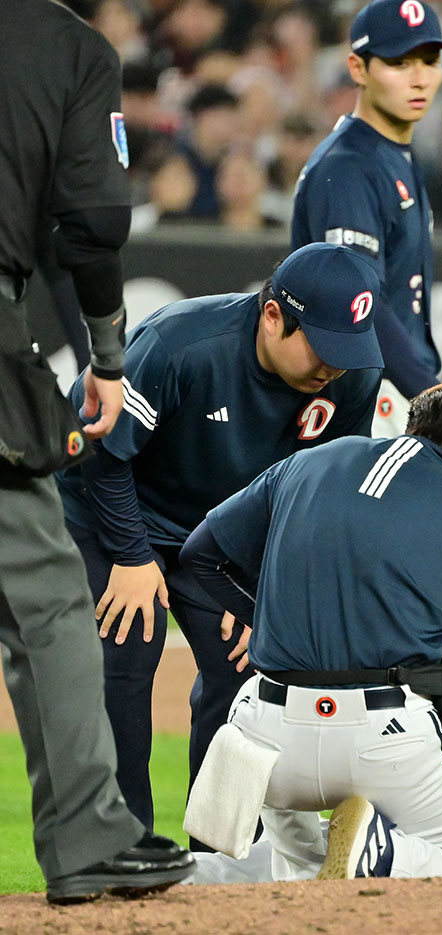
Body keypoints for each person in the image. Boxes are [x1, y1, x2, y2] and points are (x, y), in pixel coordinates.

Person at [54, 242, 384, 841]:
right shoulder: (181, 345)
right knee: (127, 649)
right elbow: (102, 452)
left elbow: (322, 490)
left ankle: (219, 851)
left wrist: (270, 586)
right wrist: (130, 556)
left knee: (246, 671)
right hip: (117, 508)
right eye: (323, 343)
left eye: (347, 347)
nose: (332, 367)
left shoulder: (354, 375)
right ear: (273, 315)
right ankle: (118, 843)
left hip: (224, 531)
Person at [178, 380, 442, 881]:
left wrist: (271, 619)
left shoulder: (306, 463)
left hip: (262, 739)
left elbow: (200, 556)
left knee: (292, 869)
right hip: (384, 743)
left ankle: (173, 871)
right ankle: (384, 855)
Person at [0, 0, 192, 904]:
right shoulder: (67, 46)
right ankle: (87, 840)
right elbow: (92, 218)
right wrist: (108, 354)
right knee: (44, 595)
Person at [292, 0, 442, 434]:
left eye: (429, 61)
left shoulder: (391, 153)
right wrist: (437, 401)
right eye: (398, 62)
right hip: (364, 397)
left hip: (391, 392)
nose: (419, 77)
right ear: (358, 68)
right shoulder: (349, 166)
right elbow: (359, 304)